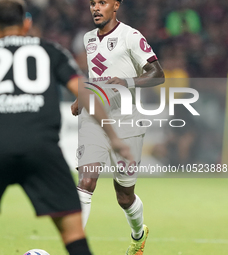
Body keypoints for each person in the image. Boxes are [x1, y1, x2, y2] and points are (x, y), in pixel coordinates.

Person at [0, 0, 133, 254]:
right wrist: (115, 137)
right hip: (42, 150)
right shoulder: (50, 50)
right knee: (74, 235)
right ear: (27, 23)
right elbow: (86, 92)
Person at [72, 0, 165, 254]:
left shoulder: (131, 36)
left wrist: (127, 82)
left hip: (126, 122)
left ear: (116, 6)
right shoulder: (88, 38)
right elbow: (97, 77)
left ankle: (138, 235)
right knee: (86, 182)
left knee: (124, 196)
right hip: (94, 119)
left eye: (102, 2)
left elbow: (158, 74)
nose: (95, 8)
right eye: (92, 3)